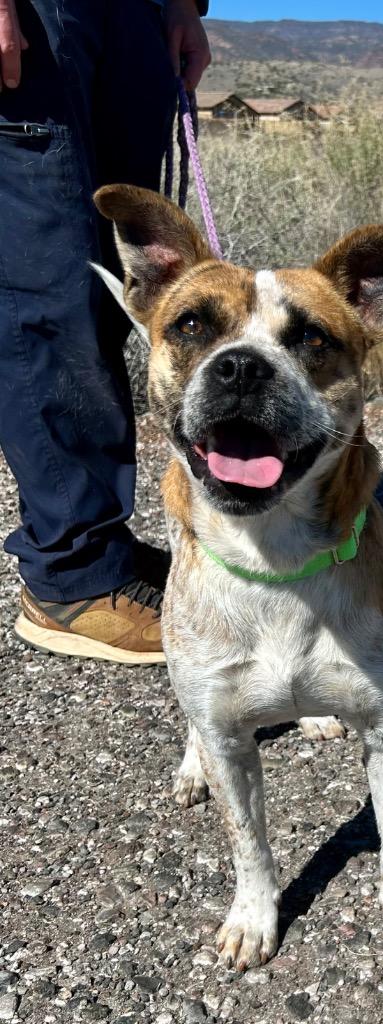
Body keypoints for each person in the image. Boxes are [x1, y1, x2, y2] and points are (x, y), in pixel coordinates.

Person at [0, 0, 211, 663]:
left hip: (135, 13)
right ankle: (72, 579)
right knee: (50, 291)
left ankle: (100, 543)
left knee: (111, 290)